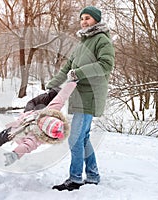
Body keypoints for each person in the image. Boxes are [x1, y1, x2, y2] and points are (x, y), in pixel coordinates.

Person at [48, 6, 115, 191]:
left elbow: (106, 65)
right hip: (78, 95)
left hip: (90, 96)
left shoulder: (102, 40)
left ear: (96, 20)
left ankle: (75, 178)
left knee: (75, 138)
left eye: (88, 18)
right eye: (82, 19)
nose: (84, 21)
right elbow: (67, 67)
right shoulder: (82, 44)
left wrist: (78, 73)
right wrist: (53, 84)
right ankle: (92, 176)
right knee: (83, 138)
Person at [0, 82, 76, 166]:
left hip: (19, 130)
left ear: (44, 132)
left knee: (1, 137)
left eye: (41, 124)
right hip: (30, 113)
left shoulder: (36, 137)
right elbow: (61, 98)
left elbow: (27, 146)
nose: (41, 120)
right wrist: (72, 83)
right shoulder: (52, 112)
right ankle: (53, 91)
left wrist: (15, 154)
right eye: (44, 119)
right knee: (35, 102)